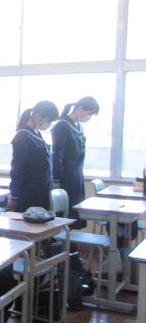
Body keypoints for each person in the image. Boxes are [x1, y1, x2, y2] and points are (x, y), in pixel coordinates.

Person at [52, 96, 99, 229]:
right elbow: (57, 154)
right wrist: (56, 179)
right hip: (66, 176)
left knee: (76, 213)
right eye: (88, 113)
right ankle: (63, 238)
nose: (88, 117)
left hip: (77, 174)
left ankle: (71, 237)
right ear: (79, 109)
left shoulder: (78, 126)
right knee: (66, 215)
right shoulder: (62, 125)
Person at [8, 101, 59, 212]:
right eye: (48, 121)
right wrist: (14, 196)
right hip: (29, 194)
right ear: (37, 116)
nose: (49, 124)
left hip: (42, 191)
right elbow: (17, 169)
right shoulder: (23, 136)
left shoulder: (36, 133)